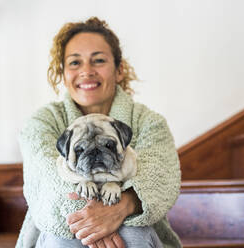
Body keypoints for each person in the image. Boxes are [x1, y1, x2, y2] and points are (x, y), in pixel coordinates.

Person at [16, 17, 182, 248]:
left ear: (119, 69)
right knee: (61, 239)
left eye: (99, 60)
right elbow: (44, 181)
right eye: (75, 63)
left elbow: (160, 176)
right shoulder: (41, 122)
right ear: (63, 73)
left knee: (134, 234)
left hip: (134, 225)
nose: (87, 71)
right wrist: (95, 221)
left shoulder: (149, 122)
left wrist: (124, 205)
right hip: (61, 224)